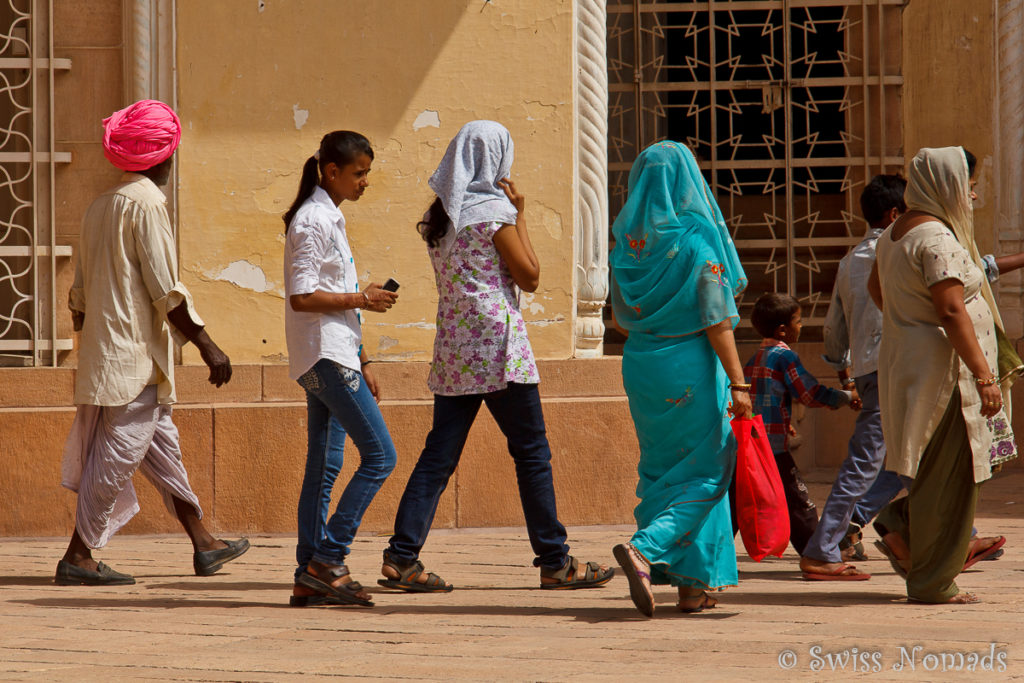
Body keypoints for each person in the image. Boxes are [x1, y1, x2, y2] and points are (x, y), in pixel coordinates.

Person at [379, 120, 613, 593]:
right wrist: (519, 214)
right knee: (531, 454)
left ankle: (401, 557)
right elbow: (529, 277)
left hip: (455, 348)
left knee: (438, 456)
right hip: (500, 347)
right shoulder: (494, 213)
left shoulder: (440, 217)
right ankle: (555, 560)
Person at [58, 99, 249, 586]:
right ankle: (79, 556)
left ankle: (204, 543)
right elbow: (167, 291)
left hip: (113, 357)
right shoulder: (146, 205)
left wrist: (101, 334)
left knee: (163, 450)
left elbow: (77, 299)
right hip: (132, 360)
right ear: (166, 155)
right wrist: (209, 345)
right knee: (117, 457)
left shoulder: (100, 206)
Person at [609, 140, 752, 617]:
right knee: (709, 472)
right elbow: (717, 318)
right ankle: (645, 549)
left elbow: (619, 320)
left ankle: (693, 586)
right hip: (691, 363)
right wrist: (739, 382)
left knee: (664, 471)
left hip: (643, 365)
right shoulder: (696, 239)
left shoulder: (627, 242)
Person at [867, 146, 1016, 604]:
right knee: (953, 473)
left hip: (914, 363)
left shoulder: (896, 233)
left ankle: (902, 523)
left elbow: (878, 290)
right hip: (944, 374)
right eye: (969, 185)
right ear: (947, 185)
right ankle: (933, 580)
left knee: (940, 468)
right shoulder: (936, 240)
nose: (972, 196)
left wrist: (908, 325)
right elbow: (951, 310)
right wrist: (985, 376)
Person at [283, 130, 399, 607]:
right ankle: (328, 560)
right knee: (380, 456)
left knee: (325, 465)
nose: (365, 181)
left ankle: (307, 574)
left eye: (367, 172)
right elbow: (303, 296)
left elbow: (330, 295)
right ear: (331, 171)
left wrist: (364, 355)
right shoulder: (312, 220)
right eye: (359, 173)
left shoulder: (328, 216)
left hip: (333, 353)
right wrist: (363, 299)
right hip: (325, 357)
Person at [798, 175, 905, 580]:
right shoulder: (900, 251)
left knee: (910, 456)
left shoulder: (849, 261)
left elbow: (834, 331)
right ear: (895, 214)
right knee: (867, 461)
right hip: (893, 367)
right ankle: (823, 547)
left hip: (867, 369)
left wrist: (845, 376)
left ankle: (946, 534)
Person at [742, 293, 853, 559]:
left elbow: (759, 400)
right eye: (798, 321)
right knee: (799, 502)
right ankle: (819, 555)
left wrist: (784, 423)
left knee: (738, 502)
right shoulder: (785, 357)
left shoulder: (754, 358)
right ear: (783, 329)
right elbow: (809, 393)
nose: (801, 326)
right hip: (774, 449)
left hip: (751, 443)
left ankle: (710, 554)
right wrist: (846, 397)